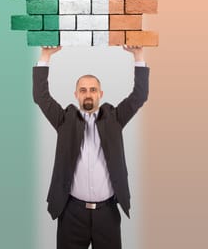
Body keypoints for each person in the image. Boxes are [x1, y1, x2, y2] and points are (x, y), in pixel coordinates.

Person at [33, 45, 150, 249]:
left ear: (100, 94)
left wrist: (138, 55)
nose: (88, 94)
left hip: (108, 214)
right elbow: (41, 97)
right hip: (71, 213)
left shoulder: (114, 118)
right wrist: (45, 56)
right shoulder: (64, 120)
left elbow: (138, 96)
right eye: (83, 90)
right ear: (76, 94)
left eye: (93, 90)